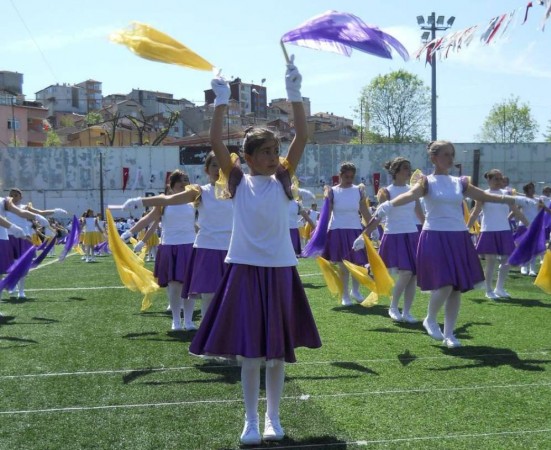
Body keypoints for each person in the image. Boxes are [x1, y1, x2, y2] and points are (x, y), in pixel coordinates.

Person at [189, 58, 321, 446]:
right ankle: (249, 419)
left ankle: (272, 418)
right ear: (246, 157)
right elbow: (215, 142)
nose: (272, 156)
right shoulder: (237, 180)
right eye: (264, 151)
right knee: (250, 354)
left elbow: (302, 138)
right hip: (244, 271)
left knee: (277, 354)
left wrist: (295, 94)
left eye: (274, 149)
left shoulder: (282, 179)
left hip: (280, 270)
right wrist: (220, 101)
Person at [374, 140, 529, 348]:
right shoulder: (426, 182)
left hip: (459, 237)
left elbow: (483, 195)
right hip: (435, 236)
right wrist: (389, 204)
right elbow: (410, 195)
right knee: (445, 283)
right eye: (445, 154)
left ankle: (449, 334)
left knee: (456, 288)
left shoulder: (460, 182)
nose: (450, 158)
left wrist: (517, 199)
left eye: (451, 154)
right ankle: (430, 318)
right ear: (434, 158)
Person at [122, 171, 199, 331]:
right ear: (172, 185)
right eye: (181, 181)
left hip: (190, 246)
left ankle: (189, 321)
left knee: (189, 285)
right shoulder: (164, 203)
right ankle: (176, 320)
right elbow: (148, 219)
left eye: (187, 180)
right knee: (174, 285)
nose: (185, 184)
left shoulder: (193, 201)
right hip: (170, 246)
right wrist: (130, 232)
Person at [359, 157, 425, 322]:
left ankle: (407, 312)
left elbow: (420, 214)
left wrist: (429, 230)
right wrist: (365, 235)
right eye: (404, 168)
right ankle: (394, 307)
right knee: (406, 273)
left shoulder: (413, 190)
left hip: (411, 235)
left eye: (409, 168)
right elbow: (378, 216)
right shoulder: (386, 191)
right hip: (394, 235)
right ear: (395, 171)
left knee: (413, 276)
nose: (408, 171)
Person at [467, 169, 529, 299]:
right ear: (488, 180)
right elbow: (475, 212)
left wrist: (529, 225)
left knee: (507, 261)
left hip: (504, 231)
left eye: (500, 179)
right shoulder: (482, 194)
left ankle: (499, 288)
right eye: (496, 179)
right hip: (488, 231)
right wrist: (466, 228)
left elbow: (516, 212)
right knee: (491, 261)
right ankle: (489, 290)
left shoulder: (507, 194)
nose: (499, 181)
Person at [322, 162, 372, 306]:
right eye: (346, 176)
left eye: (351, 176)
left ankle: (355, 291)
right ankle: (345, 295)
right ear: (340, 175)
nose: (349, 179)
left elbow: (364, 212)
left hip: (355, 230)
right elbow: (328, 213)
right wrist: (320, 230)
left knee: (358, 263)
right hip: (337, 230)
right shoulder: (332, 191)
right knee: (343, 266)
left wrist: (374, 228)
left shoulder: (358, 191)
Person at [515, 182, 542, 276]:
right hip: (523, 225)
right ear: (526, 190)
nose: (533, 190)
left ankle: (532, 268)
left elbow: (540, 212)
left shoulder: (538, 200)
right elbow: (516, 210)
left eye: (533, 188)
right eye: (531, 188)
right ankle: (524, 266)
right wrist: (507, 219)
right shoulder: (522, 199)